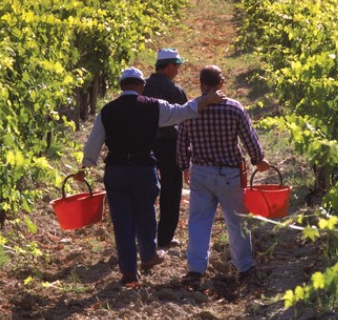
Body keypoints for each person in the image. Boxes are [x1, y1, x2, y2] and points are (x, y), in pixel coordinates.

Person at [81, 67, 225, 285]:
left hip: (116, 171)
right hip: (142, 169)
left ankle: (128, 272)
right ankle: (149, 256)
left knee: (122, 222)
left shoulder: (107, 111)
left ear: (121, 87)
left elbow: (93, 144)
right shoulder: (152, 106)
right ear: (141, 86)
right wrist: (207, 100)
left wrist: (85, 166)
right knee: (146, 213)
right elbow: (182, 111)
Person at [176, 65, 270, 284]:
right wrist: (258, 160)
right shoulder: (234, 108)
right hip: (230, 174)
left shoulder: (190, 110)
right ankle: (244, 267)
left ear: (201, 84)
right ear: (220, 84)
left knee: (198, 221)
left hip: (200, 172)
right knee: (237, 221)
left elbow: (181, 144)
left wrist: (184, 167)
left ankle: (195, 269)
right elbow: (249, 139)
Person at [142, 48, 188, 249]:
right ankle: (165, 237)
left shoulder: (141, 87)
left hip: (144, 145)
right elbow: (187, 119)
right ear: (169, 66)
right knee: (171, 191)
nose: (178, 70)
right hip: (170, 146)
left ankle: (144, 234)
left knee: (145, 191)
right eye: (177, 66)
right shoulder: (174, 91)